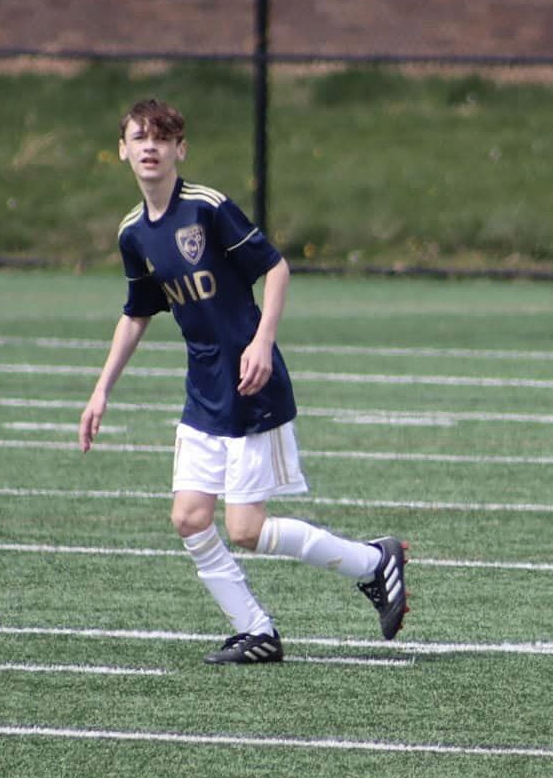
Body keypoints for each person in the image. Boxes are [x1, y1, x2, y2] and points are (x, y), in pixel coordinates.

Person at [79, 98, 410, 664]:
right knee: (188, 517)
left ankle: (373, 562)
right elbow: (138, 311)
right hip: (203, 390)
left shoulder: (206, 208)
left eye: (162, 138)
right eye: (139, 138)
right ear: (122, 150)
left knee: (246, 529)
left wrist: (262, 342)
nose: (150, 147)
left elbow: (276, 267)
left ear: (181, 149)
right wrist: (102, 387)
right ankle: (256, 630)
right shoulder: (134, 232)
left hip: (251, 384)